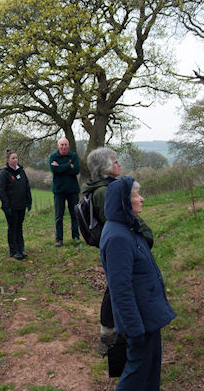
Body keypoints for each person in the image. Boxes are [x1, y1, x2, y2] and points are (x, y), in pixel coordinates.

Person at [100, 175, 176, 390]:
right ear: (124, 201)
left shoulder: (127, 228)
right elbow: (120, 290)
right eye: (136, 195)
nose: (141, 199)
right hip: (139, 322)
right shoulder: (118, 238)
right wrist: (134, 329)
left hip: (148, 316)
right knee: (135, 374)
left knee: (150, 369)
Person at [81, 147, 121, 352]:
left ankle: (115, 328)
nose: (119, 164)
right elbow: (114, 221)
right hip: (114, 246)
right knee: (113, 288)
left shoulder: (104, 186)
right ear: (105, 167)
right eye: (115, 162)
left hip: (112, 244)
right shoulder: (104, 191)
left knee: (116, 286)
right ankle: (107, 334)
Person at [0, 148, 32, 260]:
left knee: (19, 227)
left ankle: (21, 249)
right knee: (12, 227)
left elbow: (26, 186)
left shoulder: (21, 171)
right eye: (13, 158)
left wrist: (29, 201)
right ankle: (13, 250)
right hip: (11, 207)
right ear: (7, 160)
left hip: (21, 204)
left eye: (16, 158)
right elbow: (1, 190)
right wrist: (6, 205)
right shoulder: (4, 173)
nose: (15, 160)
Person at [49, 138, 80, 247]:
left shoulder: (74, 156)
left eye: (65, 144)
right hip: (59, 191)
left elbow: (76, 170)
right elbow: (54, 170)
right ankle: (59, 239)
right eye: (61, 145)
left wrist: (61, 167)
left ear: (68, 145)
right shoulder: (53, 157)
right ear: (58, 146)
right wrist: (68, 166)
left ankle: (76, 236)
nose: (64, 147)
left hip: (73, 191)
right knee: (58, 216)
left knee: (75, 215)